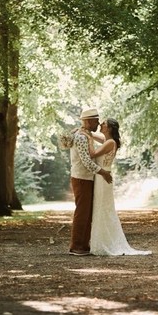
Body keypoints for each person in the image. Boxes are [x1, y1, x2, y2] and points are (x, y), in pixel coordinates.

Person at [89, 117, 152, 256]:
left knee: (103, 208)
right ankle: (102, 240)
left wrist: (87, 139)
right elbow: (94, 135)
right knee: (101, 207)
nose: (100, 124)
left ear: (109, 128)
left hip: (103, 176)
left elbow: (92, 154)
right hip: (102, 176)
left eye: (103, 123)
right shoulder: (108, 141)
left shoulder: (110, 142)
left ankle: (104, 242)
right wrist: (85, 131)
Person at [69, 108, 112, 256]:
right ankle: (77, 245)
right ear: (88, 121)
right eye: (95, 121)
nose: (98, 123)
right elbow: (86, 161)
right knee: (82, 212)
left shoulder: (86, 134)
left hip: (87, 178)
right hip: (81, 178)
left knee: (87, 212)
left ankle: (84, 244)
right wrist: (103, 172)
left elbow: (107, 140)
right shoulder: (81, 137)